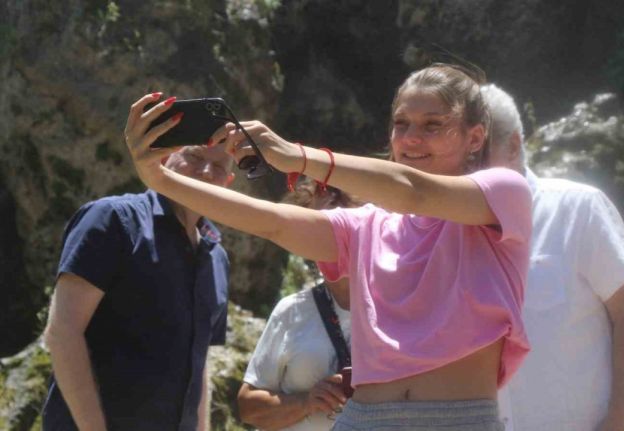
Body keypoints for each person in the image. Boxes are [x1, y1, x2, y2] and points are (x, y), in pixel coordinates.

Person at [124, 63, 533, 430]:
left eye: (432, 125)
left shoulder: (505, 194)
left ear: (475, 137)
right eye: (401, 123)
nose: (410, 138)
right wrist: (160, 179)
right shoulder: (367, 224)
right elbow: (273, 222)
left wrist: (297, 157)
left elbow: (413, 191)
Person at [482, 84, 624, 431]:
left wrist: (620, 420)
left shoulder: (578, 208)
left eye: (477, 152)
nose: (465, 168)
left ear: (513, 145)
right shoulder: (449, 231)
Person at [41, 125, 235, 431]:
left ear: (228, 182)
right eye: (195, 157)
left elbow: (198, 363)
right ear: (166, 157)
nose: (207, 172)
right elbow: (63, 332)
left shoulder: (216, 258)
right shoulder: (114, 220)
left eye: (219, 167)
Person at [237, 181, 356, 430]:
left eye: (339, 227)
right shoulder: (292, 310)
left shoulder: (398, 308)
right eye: (316, 230)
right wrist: (306, 402)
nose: (329, 240)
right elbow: (248, 408)